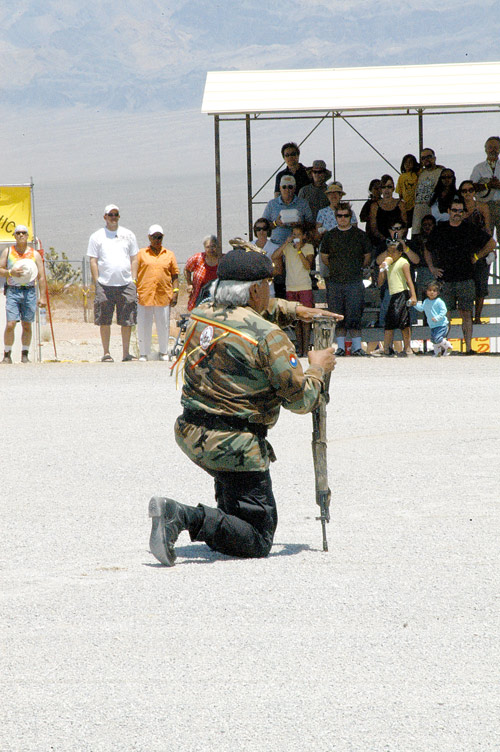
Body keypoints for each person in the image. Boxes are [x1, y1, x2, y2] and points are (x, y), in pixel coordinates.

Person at [148, 243, 341, 566]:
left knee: (234, 511)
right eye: (266, 285)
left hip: (192, 433)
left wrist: (294, 310)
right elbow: (302, 400)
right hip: (235, 445)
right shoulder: (269, 337)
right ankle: (181, 516)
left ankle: (220, 516)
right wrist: (318, 368)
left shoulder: (201, 313)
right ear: (254, 291)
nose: (269, 290)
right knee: (258, 537)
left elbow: (250, 314)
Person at [425, 198, 496, 354]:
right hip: (445, 279)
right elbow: (427, 248)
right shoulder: (440, 229)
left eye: (460, 211)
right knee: (444, 315)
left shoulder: (470, 228)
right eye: (454, 210)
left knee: (466, 314)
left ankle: (469, 348)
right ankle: (442, 348)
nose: (457, 213)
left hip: (465, 278)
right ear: (449, 211)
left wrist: (477, 256)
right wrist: (432, 268)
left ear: (464, 213)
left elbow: (491, 243)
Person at [87, 204, 139, 362]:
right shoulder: (97, 237)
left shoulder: (128, 235)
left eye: (116, 214)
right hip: (105, 284)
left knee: (127, 319)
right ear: (105, 217)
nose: (113, 217)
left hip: (126, 283)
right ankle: (106, 352)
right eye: (110, 215)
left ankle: (126, 353)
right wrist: (97, 282)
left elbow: (134, 258)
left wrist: (134, 280)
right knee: (104, 319)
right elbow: (93, 260)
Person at [320, 202, 372, 357]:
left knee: (355, 316)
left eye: (346, 216)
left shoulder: (360, 235)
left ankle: (357, 347)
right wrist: (338, 269)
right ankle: (341, 347)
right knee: (337, 316)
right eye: (339, 216)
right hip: (335, 281)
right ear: (335, 217)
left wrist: (353, 268)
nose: (342, 219)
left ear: (350, 217)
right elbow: (324, 258)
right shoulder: (329, 235)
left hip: (355, 281)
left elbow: (367, 257)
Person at [0, 225, 47, 364]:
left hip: (29, 291)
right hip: (13, 290)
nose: (21, 235)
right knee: (11, 324)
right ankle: (7, 354)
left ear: (27, 236)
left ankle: (25, 353)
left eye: (24, 233)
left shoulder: (34, 254)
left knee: (27, 324)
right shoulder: (8, 252)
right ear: (14, 236)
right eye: (18, 233)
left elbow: (42, 276)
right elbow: (0, 269)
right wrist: (10, 272)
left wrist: (42, 296)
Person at [263, 175, 313, 296]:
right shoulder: (272, 204)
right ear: (280, 188)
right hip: (278, 246)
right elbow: (263, 225)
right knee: (279, 278)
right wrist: (276, 223)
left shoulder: (302, 203)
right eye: (284, 187)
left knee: (297, 276)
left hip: (297, 247)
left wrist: (300, 224)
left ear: (295, 188)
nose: (287, 189)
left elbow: (311, 223)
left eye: (290, 187)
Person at [271, 222, 315, 356]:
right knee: (295, 319)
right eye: (293, 234)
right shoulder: (288, 248)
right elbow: (274, 256)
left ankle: (306, 348)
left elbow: (308, 266)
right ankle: (299, 349)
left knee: (306, 320)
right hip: (291, 286)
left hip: (304, 286)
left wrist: (299, 250)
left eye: (298, 234)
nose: (295, 237)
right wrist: (286, 242)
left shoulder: (308, 247)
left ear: (304, 236)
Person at [136, 224, 179, 361]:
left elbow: (175, 275)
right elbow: (134, 273)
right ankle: (144, 353)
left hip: (163, 295)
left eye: (159, 237)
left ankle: (163, 352)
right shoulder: (141, 254)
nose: (157, 240)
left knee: (163, 324)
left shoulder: (169, 254)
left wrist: (175, 292)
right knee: (144, 325)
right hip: (145, 294)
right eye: (154, 237)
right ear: (149, 237)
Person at [459, 180, 494, 324]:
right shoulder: (458, 208)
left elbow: (488, 228)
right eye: (464, 190)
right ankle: (467, 318)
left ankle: (477, 317)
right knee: (466, 286)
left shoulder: (482, 206)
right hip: (464, 250)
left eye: (470, 190)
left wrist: (489, 248)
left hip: (481, 248)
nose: (468, 193)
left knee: (480, 285)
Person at [378, 241, 417, 357]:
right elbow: (380, 283)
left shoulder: (403, 262)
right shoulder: (388, 264)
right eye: (388, 252)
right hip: (392, 294)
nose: (391, 255)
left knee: (404, 323)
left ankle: (408, 347)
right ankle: (387, 348)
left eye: (393, 252)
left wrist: (413, 295)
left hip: (402, 294)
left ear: (400, 253)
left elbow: (409, 280)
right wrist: (382, 269)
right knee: (389, 323)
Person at [410, 281, 453, 357]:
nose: (432, 292)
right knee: (434, 340)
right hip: (433, 325)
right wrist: (415, 304)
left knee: (437, 338)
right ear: (426, 292)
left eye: (434, 291)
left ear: (438, 292)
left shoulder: (439, 301)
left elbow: (444, 311)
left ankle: (448, 346)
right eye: (429, 290)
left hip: (441, 324)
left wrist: (437, 318)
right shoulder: (426, 301)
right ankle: (437, 353)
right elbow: (421, 308)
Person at [470, 136, 500, 241]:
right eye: (490, 147)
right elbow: (471, 187)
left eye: (496, 147)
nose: (493, 150)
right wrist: (487, 185)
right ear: (485, 149)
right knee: (485, 239)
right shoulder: (479, 168)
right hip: (485, 207)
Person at [369, 174, 407, 250]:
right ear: (380, 189)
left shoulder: (400, 204)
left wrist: (397, 238)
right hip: (380, 243)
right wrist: (384, 239)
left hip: (398, 242)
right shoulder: (375, 206)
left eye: (389, 187)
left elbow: (405, 225)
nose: (386, 190)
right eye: (383, 187)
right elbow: (373, 227)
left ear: (393, 188)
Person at [412, 148, 443, 236]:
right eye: (423, 158)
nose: (426, 159)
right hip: (418, 213)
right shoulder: (420, 173)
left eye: (429, 156)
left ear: (434, 158)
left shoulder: (441, 172)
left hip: (433, 212)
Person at [184, 235, 220, 311]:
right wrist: (189, 284)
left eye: (213, 246)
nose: (211, 249)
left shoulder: (222, 259)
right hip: (199, 296)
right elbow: (187, 269)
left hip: (217, 297)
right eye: (208, 247)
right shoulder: (197, 258)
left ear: (217, 246)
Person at [396, 154, 420, 228]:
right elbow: (400, 193)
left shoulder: (417, 174)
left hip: (416, 205)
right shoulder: (401, 177)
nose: (407, 164)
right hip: (406, 205)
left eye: (410, 162)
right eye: (405, 162)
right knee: (405, 225)